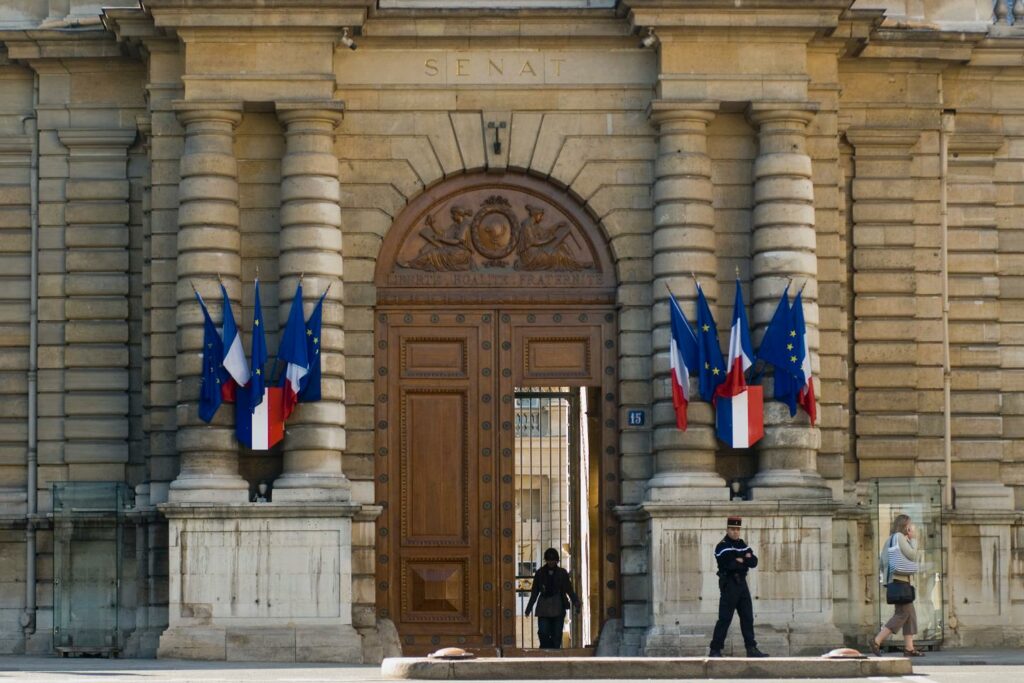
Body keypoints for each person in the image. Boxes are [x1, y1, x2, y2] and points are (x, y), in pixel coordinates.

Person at [709, 517, 768, 658]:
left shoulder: (742, 543)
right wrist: (742, 559)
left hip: (742, 583)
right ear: (727, 529)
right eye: (732, 529)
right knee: (725, 618)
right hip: (729, 584)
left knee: (747, 617)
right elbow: (729, 564)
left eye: (737, 529)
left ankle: (751, 648)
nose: (735, 532)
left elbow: (753, 561)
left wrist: (741, 559)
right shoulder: (722, 545)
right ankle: (715, 650)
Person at [869, 514, 924, 657]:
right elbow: (912, 555)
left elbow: (881, 563)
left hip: (893, 581)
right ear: (905, 526)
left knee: (910, 614)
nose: (912, 528)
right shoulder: (900, 537)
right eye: (910, 526)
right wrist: (914, 541)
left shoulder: (889, 540)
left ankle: (909, 648)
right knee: (903, 613)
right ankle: (877, 640)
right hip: (900, 580)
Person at [524, 547, 581, 649]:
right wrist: (529, 608)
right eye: (549, 560)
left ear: (557, 560)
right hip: (544, 608)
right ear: (546, 560)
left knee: (557, 635)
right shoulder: (540, 573)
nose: (551, 562)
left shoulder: (562, 573)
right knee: (543, 632)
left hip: (558, 606)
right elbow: (534, 593)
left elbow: (569, 589)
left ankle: (554, 654)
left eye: (553, 560)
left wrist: (576, 602)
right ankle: (546, 651)